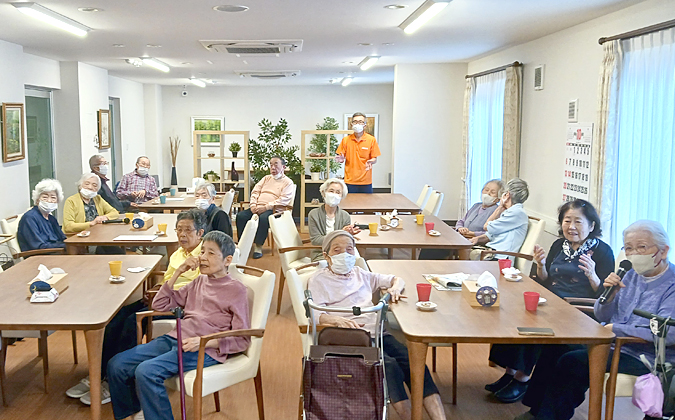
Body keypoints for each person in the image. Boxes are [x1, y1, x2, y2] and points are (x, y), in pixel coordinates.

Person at [514, 220, 674, 420]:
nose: (634, 254)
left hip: (645, 356)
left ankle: (549, 417)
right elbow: (601, 315)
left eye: (641, 247)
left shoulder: (671, 284)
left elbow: (668, 333)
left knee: (572, 363)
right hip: (611, 343)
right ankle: (537, 411)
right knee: (556, 346)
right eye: (629, 248)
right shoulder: (630, 274)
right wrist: (610, 295)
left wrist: (617, 329)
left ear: (663, 251)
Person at [65, 209, 207, 406]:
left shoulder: (204, 255)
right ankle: (100, 375)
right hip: (162, 298)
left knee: (132, 322)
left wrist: (165, 295)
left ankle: (118, 381)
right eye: (179, 230)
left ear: (200, 233)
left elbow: (199, 291)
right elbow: (168, 280)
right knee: (116, 317)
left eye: (188, 230)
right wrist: (157, 293)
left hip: (180, 307)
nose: (182, 235)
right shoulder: (178, 253)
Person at [108, 231, 250, 420]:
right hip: (176, 337)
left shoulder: (236, 290)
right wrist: (178, 272)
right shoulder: (199, 281)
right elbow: (159, 305)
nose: (203, 258)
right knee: (117, 364)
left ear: (227, 260)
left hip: (203, 349)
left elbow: (242, 339)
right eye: (202, 252)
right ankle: (134, 414)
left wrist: (204, 342)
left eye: (211, 253)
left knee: (146, 372)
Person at [307, 230, 446, 420]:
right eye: (337, 250)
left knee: (412, 360)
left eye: (349, 250)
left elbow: (396, 279)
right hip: (349, 339)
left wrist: (395, 288)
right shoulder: (318, 279)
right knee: (389, 365)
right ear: (326, 255)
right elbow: (314, 313)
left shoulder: (361, 274)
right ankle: (411, 417)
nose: (344, 255)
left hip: (377, 333)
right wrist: (335, 320)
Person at [486, 199, 615, 403]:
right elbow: (545, 280)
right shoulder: (559, 244)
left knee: (535, 325)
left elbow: (605, 295)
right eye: (567, 221)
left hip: (579, 310)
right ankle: (510, 372)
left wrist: (592, 275)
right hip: (553, 301)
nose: (571, 227)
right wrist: (541, 265)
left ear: (591, 226)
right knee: (515, 315)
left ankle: (522, 378)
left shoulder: (602, 251)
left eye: (578, 222)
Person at [419, 179, 503, 260]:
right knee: (431, 244)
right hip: (459, 236)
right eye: (486, 190)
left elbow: (490, 234)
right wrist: (460, 228)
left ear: (498, 198)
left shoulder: (496, 212)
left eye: (492, 192)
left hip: (471, 241)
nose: (487, 194)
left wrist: (472, 233)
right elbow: (461, 221)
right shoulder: (476, 206)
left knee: (435, 250)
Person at [235, 156, 296, 259]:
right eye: (271, 165)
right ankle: (244, 244)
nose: (273, 167)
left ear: (283, 167)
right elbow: (255, 191)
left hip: (274, 209)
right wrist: (253, 205)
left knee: (264, 218)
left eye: (276, 164)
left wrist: (266, 207)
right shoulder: (266, 178)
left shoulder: (288, 182)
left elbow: (283, 199)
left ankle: (258, 246)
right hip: (257, 207)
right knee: (241, 216)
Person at [470, 177, 530, 259]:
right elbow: (491, 234)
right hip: (491, 251)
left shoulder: (517, 213)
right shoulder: (509, 211)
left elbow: (487, 227)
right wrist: (477, 239)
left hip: (500, 257)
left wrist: (500, 207)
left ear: (507, 194)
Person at [307, 178, 360, 261]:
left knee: (358, 261)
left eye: (338, 192)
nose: (334, 195)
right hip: (321, 254)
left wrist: (349, 235)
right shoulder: (313, 214)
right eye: (331, 191)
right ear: (324, 193)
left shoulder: (345, 215)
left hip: (341, 253)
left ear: (341, 196)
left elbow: (345, 242)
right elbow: (315, 240)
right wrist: (340, 233)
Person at [336, 112, 381, 194]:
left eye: (360, 122)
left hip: (366, 182)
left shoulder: (371, 140)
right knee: (349, 205)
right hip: (350, 181)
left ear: (365, 125)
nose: (358, 124)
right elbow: (340, 156)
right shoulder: (346, 140)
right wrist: (341, 159)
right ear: (351, 124)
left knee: (366, 205)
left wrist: (372, 161)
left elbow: (375, 158)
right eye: (355, 122)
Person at [17, 179, 67, 252]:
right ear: (37, 199)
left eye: (53, 198)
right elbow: (38, 246)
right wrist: (65, 246)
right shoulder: (30, 218)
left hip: (56, 252)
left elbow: (63, 238)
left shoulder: (51, 218)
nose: (49, 200)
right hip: (39, 256)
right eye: (45, 197)